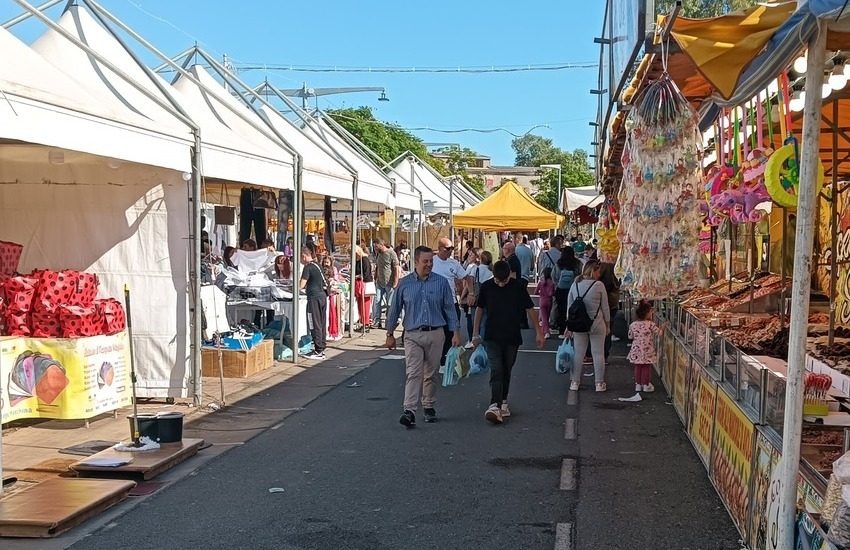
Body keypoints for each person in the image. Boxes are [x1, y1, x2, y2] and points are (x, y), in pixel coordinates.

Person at [385, 246, 461, 428]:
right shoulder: (404, 284)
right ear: (416, 262)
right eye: (425, 261)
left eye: (431, 262)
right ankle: (409, 410)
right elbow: (394, 309)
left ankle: (428, 405)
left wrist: (456, 332)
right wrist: (389, 334)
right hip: (412, 334)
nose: (429, 265)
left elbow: (450, 309)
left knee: (431, 373)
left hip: (436, 333)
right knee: (413, 372)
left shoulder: (441, 283)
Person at [472, 260, 545, 424]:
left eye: (504, 281)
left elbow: (530, 309)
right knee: (497, 368)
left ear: (509, 276)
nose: (501, 284)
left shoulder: (517, 287)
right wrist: (475, 333)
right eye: (498, 280)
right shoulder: (487, 287)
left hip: (512, 336)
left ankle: (503, 401)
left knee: (506, 368)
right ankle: (494, 404)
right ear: (494, 276)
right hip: (491, 335)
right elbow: (479, 309)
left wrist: (539, 332)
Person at [565, 261, 610, 392]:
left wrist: (569, 325)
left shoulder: (575, 284)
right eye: (598, 271)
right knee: (598, 353)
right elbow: (605, 307)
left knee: (578, 353)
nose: (599, 274)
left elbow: (570, 306)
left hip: (579, 324)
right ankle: (599, 383)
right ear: (593, 271)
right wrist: (608, 325)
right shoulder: (599, 285)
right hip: (597, 323)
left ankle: (575, 382)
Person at [432, 238, 465, 366]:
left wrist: (465, 294)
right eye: (448, 248)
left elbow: (464, 277)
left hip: (451, 302)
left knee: (451, 330)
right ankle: (438, 357)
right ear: (440, 248)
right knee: (437, 332)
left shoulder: (454, 263)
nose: (451, 251)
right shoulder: (433, 262)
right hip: (435, 303)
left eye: (452, 248)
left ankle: (445, 359)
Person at [299, 247, 328, 360]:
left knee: (314, 322)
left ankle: (318, 350)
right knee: (321, 322)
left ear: (303, 256)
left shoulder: (308, 267)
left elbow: (301, 284)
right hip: (322, 296)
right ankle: (321, 346)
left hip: (313, 297)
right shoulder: (318, 265)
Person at [627, 300, 660, 394]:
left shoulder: (633, 325)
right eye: (650, 312)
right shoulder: (650, 324)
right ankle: (646, 384)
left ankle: (638, 384)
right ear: (647, 313)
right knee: (646, 367)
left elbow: (630, 336)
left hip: (636, 349)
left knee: (638, 367)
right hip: (647, 349)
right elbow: (659, 333)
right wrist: (664, 327)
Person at [463, 249, 493, 347]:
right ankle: (483, 342)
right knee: (484, 322)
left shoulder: (476, 269)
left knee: (474, 320)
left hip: (476, 299)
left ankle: (474, 339)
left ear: (480, 259)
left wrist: (470, 294)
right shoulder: (491, 271)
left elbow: (469, 280)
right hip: (488, 299)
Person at [371, 239, 399, 329]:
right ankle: (377, 321)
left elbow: (396, 268)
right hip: (380, 282)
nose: (375, 248)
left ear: (381, 244)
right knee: (377, 301)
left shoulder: (391, 253)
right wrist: (375, 276)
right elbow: (378, 266)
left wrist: (395, 282)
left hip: (389, 283)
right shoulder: (378, 253)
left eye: (376, 246)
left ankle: (389, 322)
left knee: (389, 304)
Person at [554, 247, 582, 335]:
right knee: (573, 309)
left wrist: (558, 283)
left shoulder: (559, 263)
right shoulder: (577, 263)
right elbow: (581, 275)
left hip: (560, 290)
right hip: (573, 289)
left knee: (561, 310)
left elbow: (554, 275)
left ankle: (562, 330)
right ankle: (572, 329)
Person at [599, 262, 621, 358]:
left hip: (601, 308)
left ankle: (596, 353)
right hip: (613, 305)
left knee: (599, 331)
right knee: (608, 330)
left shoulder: (600, 283)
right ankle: (605, 353)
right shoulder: (616, 281)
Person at [354, 244, 374, 330]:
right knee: (359, 304)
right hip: (358, 284)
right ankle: (362, 322)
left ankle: (366, 323)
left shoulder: (364, 260)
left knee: (365, 304)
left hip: (365, 283)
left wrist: (357, 276)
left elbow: (366, 273)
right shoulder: (357, 260)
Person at [535, 267, 555, 338]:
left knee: (544, 317)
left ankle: (546, 332)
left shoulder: (541, 283)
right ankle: (546, 330)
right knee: (547, 316)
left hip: (542, 300)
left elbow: (535, 292)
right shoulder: (552, 283)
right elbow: (552, 293)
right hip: (549, 301)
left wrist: (540, 294)